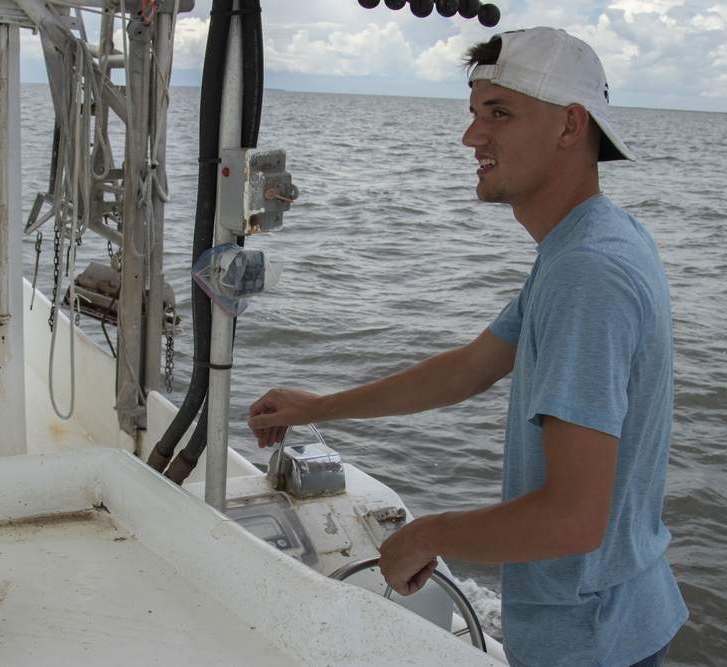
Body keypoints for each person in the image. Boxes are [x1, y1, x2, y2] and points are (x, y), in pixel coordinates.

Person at [247, 26, 688, 667]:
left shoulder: (589, 272)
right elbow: (468, 368)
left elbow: (574, 518)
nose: (472, 137)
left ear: (571, 125)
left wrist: (427, 535)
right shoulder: (586, 243)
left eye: (500, 114)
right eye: (474, 114)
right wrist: (316, 408)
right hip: (605, 625)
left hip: (593, 642)